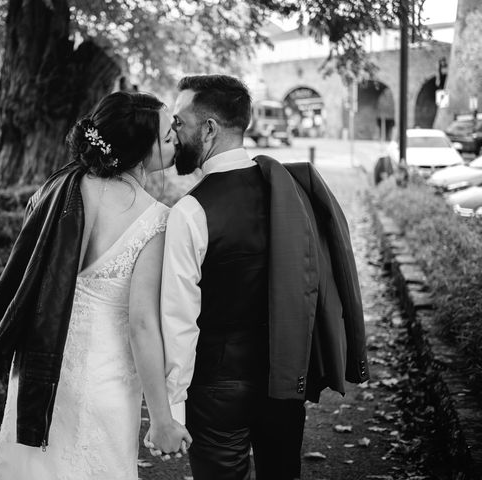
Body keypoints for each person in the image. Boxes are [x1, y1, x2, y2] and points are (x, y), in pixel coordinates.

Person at [153, 75, 369, 480]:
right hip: (283, 376)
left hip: (215, 388)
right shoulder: (290, 191)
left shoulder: (190, 212)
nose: (173, 133)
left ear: (210, 128)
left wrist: (172, 410)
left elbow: (179, 321)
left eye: (180, 122)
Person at [0, 91, 192, 479]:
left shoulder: (59, 188)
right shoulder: (155, 220)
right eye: (166, 137)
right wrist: (162, 419)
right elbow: (141, 325)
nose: (176, 141)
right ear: (138, 150)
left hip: (38, 370)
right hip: (102, 383)